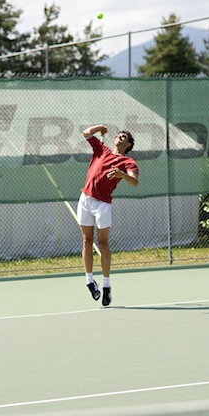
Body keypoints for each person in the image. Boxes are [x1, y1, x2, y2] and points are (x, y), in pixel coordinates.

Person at [77, 125, 139, 306]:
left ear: (128, 145)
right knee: (86, 241)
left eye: (124, 137)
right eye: (119, 135)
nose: (120, 137)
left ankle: (106, 286)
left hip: (103, 205)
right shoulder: (101, 150)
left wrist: (122, 174)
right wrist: (101, 128)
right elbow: (86, 133)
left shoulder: (128, 162)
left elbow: (134, 182)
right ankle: (90, 281)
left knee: (103, 244)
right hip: (85, 200)